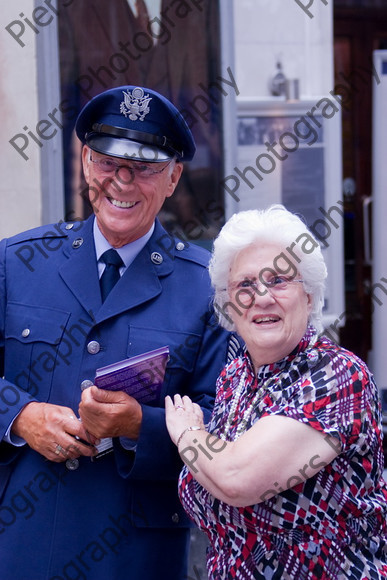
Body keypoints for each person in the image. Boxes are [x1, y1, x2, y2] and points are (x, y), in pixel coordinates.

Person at [0, 85, 229, 580]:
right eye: (108, 162)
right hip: (23, 542)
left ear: (173, 179)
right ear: (85, 163)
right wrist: (18, 416)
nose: (122, 181)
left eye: (145, 168)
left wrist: (138, 427)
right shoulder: (17, 262)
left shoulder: (207, 287)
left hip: (135, 556)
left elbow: (225, 426)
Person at [165, 205, 387, 579]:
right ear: (230, 305)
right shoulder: (234, 377)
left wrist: (188, 433)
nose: (262, 297)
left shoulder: (338, 375)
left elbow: (236, 478)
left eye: (279, 280)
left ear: (310, 296)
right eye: (245, 285)